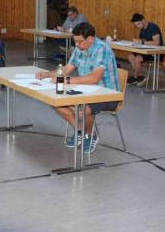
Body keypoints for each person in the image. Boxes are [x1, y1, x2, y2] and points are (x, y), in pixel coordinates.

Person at [35, 22, 120, 154]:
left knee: (83, 110)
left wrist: (67, 80)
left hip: (107, 94)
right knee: (55, 101)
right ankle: (81, 130)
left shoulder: (102, 49)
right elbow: (66, 69)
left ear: (90, 39)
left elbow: (94, 78)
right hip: (85, 91)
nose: (77, 45)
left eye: (80, 42)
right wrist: (48, 74)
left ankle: (90, 135)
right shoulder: (79, 49)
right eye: (75, 42)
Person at [127, 13, 164, 86]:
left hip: (156, 53)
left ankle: (135, 77)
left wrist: (142, 42)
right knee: (130, 56)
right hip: (146, 51)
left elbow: (156, 42)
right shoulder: (142, 29)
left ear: (143, 20)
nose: (138, 26)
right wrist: (137, 42)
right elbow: (142, 41)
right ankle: (140, 76)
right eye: (136, 25)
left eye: (138, 24)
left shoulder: (152, 27)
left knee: (138, 58)